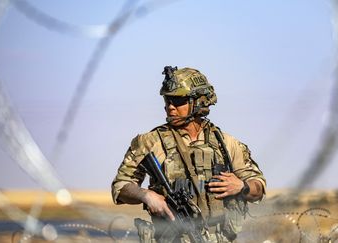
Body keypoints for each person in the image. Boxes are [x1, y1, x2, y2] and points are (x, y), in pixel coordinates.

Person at [111, 66, 266, 242]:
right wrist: (147, 197)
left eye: (178, 101)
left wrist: (242, 186)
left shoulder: (227, 143)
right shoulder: (150, 141)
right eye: (167, 101)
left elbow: (258, 188)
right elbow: (121, 186)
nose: (170, 107)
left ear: (199, 102)